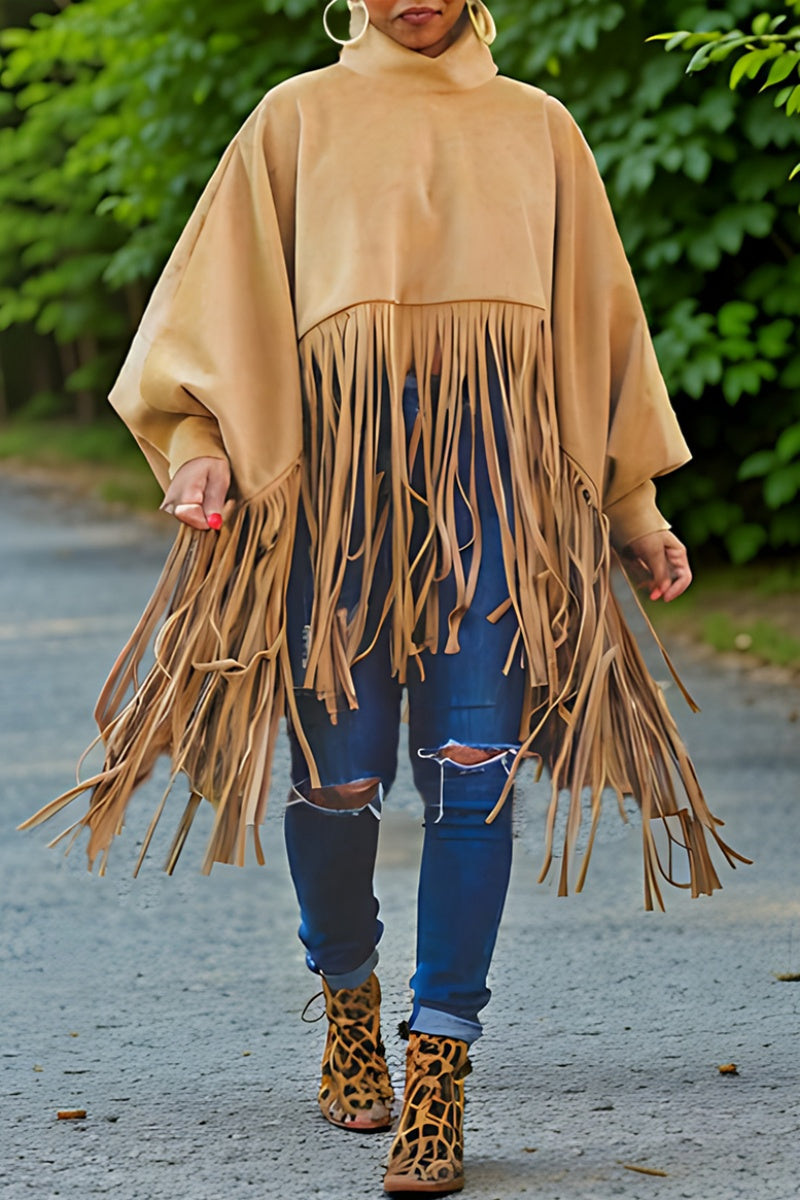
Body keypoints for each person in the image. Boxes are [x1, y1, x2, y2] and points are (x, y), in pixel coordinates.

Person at [22, 0, 748, 1193]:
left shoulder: (540, 128)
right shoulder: (292, 120)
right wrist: (199, 445)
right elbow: (209, 318)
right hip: (327, 507)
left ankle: (440, 1065)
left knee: (475, 769)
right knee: (340, 777)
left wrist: (632, 509)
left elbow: (600, 331)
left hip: (499, 504)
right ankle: (348, 1001)